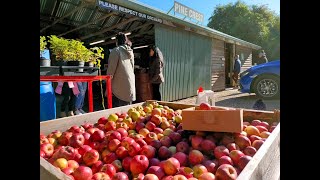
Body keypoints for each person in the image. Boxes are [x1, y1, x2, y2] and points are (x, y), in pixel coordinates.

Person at [106, 32, 136, 107]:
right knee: (128, 111)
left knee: (119, 113)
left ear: (117, 41)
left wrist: (107, 86)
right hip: (129, 83)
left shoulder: (116, 51)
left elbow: (111, 70)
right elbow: (132, 67)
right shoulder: (130, 51)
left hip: (119, 86)